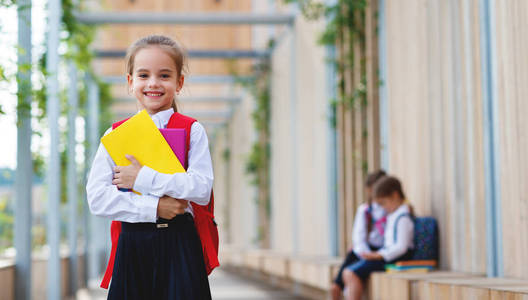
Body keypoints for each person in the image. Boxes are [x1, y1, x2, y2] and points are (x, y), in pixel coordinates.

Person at [86, 35, 213, 300]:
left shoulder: (192, 130)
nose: (153, 83)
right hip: (132, 244)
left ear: (179, 83)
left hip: (180, 242)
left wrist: (142, 178)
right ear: (130, 82)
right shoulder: (115, 135)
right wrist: (155, 207)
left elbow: (201, 189)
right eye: (143, 75)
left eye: (164, 75)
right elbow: (97, 199)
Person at [342, 176, 414, 300]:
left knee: (350, 273)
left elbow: (401, 247)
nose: (383, 208)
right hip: (387, 256)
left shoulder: (403, 217)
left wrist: (379, 255)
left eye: (383, 203)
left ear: (395, 195)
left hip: (396, 257)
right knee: (348, 272)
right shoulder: (394, 215)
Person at [331, 170, 387, 300]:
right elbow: (358, 239)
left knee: (351, 274)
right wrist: (367, 255)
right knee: (335, 287)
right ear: (369, 190)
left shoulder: (390, 210)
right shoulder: (365, 210)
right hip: (362, 252)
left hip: (380, 253)